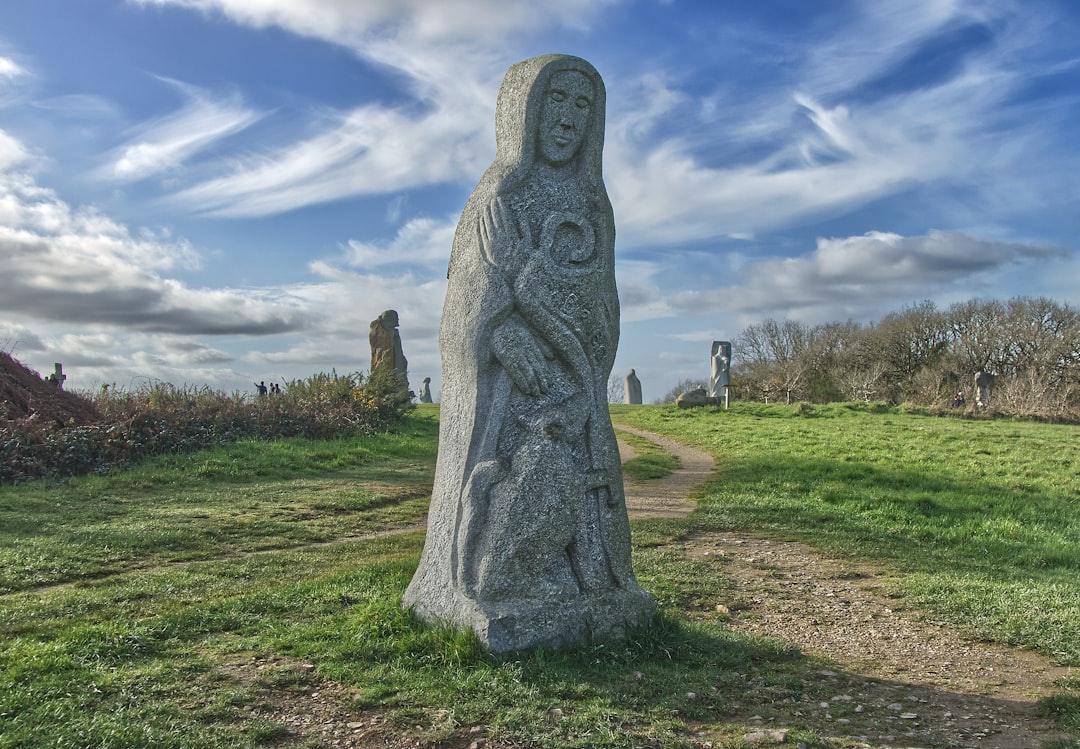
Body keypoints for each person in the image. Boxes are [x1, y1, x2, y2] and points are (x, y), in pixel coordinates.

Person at [404, 55, 651, 647]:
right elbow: (464, 299)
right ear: (526, 111)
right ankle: (489, 586)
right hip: (508, 395)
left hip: (572, 390)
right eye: (557, 101)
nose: (568, 119)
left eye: (582, 105)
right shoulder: (497, 194)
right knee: (511, 494)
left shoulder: (595, 206)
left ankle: (591, 586)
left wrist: (544, 305)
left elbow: (603, 311)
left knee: (575, 485)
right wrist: (496, 334)